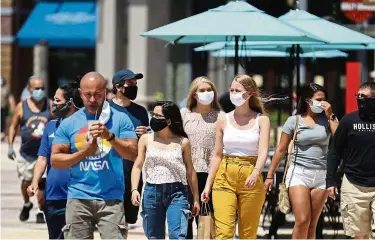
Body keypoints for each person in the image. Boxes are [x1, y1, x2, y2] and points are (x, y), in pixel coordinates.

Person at [51, 72, 138, 239]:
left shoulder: (120, 119)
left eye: (97, 95)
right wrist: (84, 152)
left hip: (112, 199)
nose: (92, 100)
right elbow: (55, 161)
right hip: (78, 197)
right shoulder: (69, 123)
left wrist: (110, 137)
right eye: (87, 95)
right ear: (80, 93)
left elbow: (133, 154)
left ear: (105, 92)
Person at [264, 83, 338, 239]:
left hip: (321, 175)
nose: (322, 103)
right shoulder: (294, 120)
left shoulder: (328, 119)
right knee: (303, 220)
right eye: (318, 99)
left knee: (312, 223)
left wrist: (331, 114)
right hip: (299, 173)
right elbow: (281, 149)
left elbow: (339, 140)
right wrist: (270, 175)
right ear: (307, 100)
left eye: (324, 99)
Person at [201, 74, 270, 239]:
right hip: (224, 175)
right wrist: (207, 186)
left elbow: (263, 151)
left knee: (248, 233)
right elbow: (217, 155)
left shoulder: (262, 120)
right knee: (223, 233)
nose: (233, 93)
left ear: (250, 94)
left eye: (237, 90)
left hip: (251, 174)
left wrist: (255, 172)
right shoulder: (223, 119)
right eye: (231, 90)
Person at [131, 101, 200, 239]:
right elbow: (138, 165)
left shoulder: (183, 142)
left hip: (177, 193)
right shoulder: (145, 139)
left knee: (178, 236)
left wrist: (196, 198)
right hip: (152, 192)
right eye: (153, 114)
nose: (154, 118)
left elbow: (190, 171)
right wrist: (134, 189)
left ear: (168, 121)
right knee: (154, 237)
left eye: (158, 116)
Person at [27, 80, 83, 239]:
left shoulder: (85, 127)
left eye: (58, 100)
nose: (53, 104)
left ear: (70, 103)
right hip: (53, 196)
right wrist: (35, 182)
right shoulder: (51, 126)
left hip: (78, 195)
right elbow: (42, 158)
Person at [327, 82, 375, 239]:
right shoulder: (348, 121)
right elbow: (335, 151)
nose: (360, 99)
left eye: (364, 97)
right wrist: (330, 180)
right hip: (354, 185)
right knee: (359, 235)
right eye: (358, 96)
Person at [180, 76, 222, 239]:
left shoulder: (221, 116)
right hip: (186, 173)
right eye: (202, 90)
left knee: (206, 221)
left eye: (209, 90)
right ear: (194, 95)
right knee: (185, 218)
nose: (206, 93)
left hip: (210, 173)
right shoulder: (184, 114)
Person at [8, 76, 52, 223]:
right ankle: (27, 204)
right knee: (26, 181)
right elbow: (14, 126)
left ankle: (40, 210)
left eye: (42, 88)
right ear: (29, 89)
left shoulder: (49, 105)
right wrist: (10, 146)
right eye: (36, 88)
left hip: (45, 154)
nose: (40, 91)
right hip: (26, 154)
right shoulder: (22, 106)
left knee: (42, 183)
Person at [109, 69, 149, 226]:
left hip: (132, 173)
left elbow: (148, 141)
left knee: (128, 220)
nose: (134, 86)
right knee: (111, 221)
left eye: (135, 83)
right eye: (130, 83)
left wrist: (146, 133)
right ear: (118, 87)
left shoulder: (140, 111)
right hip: (110, 173)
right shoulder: (105, 109)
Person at [1, 76, 16, 141]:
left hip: (3, 108)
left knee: (2, 121)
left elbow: (10, 98)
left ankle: (2, 133)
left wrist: (13, 107)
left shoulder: (6, 89)